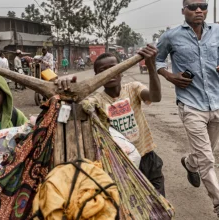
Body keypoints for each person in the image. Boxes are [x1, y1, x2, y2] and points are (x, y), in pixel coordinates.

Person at [58, 45, 165, 196]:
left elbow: (155, 97)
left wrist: (151, 66)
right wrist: (69, 92)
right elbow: (72, 113)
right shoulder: (95, 101)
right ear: (97, 77)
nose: (110, 74)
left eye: (113, 68)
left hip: (147, 157)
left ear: (121, 71)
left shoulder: (133, 88)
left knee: (159, 206)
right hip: (120, 164)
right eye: (103, 71)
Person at [156, 0, 219, 216]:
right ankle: (218, 203)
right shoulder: (171, 36)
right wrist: (169, 75)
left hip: (217, 101)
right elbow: (157, 60)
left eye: (203, 5)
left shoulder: (217, 31)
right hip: (190, 104)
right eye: (193, 6)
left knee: (205, 153)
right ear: (183, 10)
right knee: (208, 158)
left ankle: (190, 163)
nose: (199, 10)